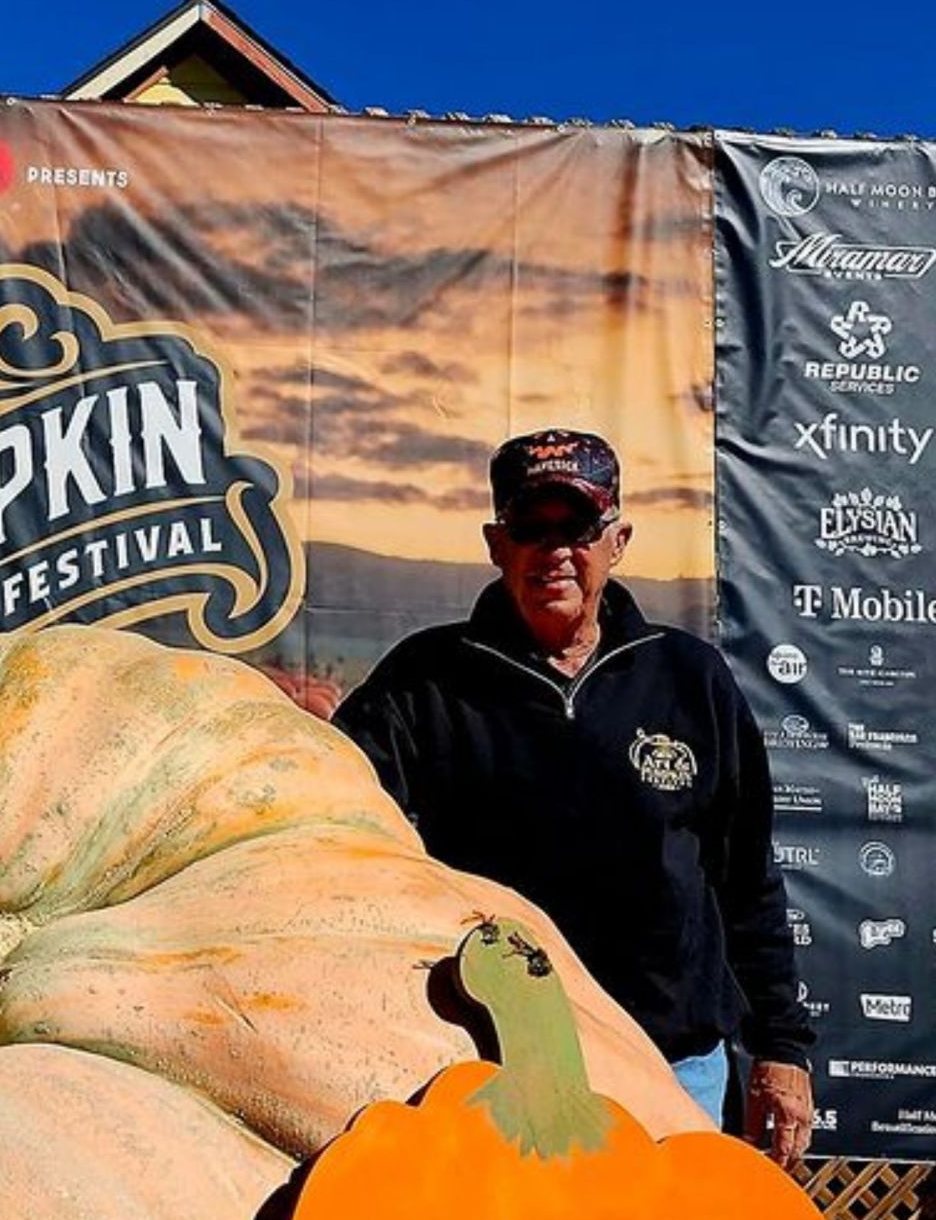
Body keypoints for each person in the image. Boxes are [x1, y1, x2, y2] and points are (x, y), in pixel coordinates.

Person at [334, 428, 815, 1169]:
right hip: (491, 1071)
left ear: (618, 539)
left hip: (675, 1069)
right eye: (531, 527)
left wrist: (780, 1050)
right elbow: (343, 840)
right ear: (498, 543)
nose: (555, 550)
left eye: (579, 527)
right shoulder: (421, 684)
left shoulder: (691, 679)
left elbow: (746, 879)